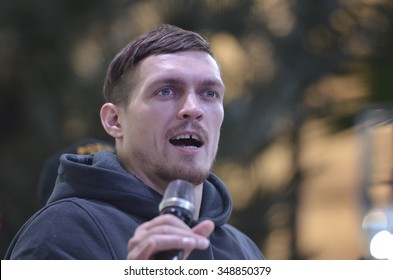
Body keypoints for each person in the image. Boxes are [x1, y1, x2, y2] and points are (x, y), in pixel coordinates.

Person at [5, 24, 264, 260]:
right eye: (166, 91)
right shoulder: (61, 231)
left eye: (210, 94)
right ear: (115, 120)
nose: (193, 109)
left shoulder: (245, 251)